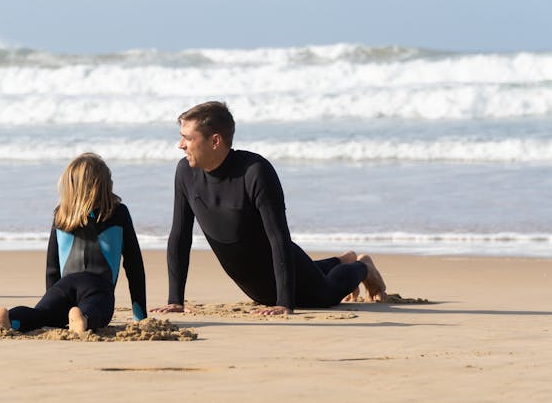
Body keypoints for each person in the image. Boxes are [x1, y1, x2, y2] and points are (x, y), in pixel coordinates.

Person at [152, 101, 386, 316]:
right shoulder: (185, 172)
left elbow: (278, 237)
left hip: (289, 273)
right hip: (255, 287)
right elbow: (180, 236)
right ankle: (341, 259)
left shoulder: (255, 172)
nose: (180, 145)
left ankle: (361, 266)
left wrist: (284, 302)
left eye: (187, 138)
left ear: (215, 141)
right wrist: (175, 300)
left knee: (326, 293)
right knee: (270, 292)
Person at [0, 153, 147, 333]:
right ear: (104, 184)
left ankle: (10, 317)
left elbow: (52, 267)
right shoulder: (118, 212)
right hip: (98, 286)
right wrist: (139, 315)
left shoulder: (61, 214)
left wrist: (53, 297)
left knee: (41, 315)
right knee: (96, 311)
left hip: (63, 287)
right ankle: (83, 319)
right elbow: (134, 266)